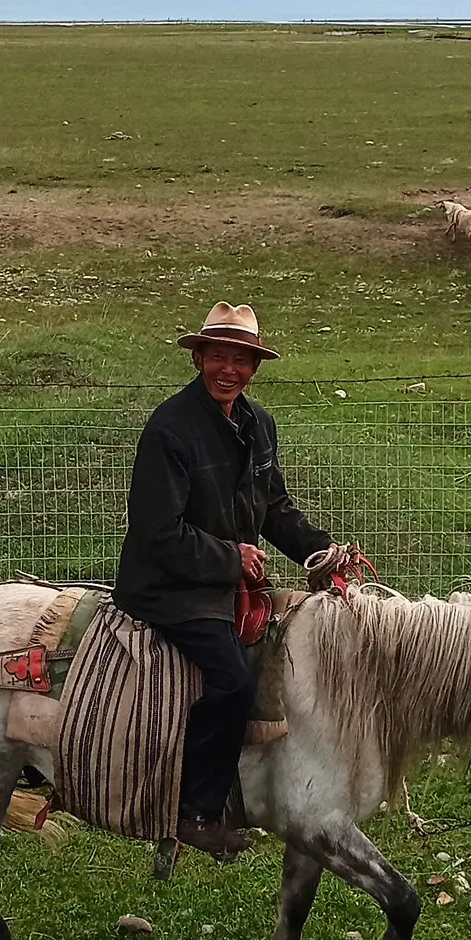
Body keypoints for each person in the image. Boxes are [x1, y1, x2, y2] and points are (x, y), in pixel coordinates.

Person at [114, 303, 333, 861]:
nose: (228, 370)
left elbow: (275, 508)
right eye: (218, 357)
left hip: (225, 582)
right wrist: (230, 559)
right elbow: (156, 532)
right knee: (233, 680)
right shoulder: (170, 428)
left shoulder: (258, 424)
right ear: (198, 359)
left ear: (254, 368)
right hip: (169, 587)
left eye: (240, 360)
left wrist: (322, 551)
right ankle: (196, 809)